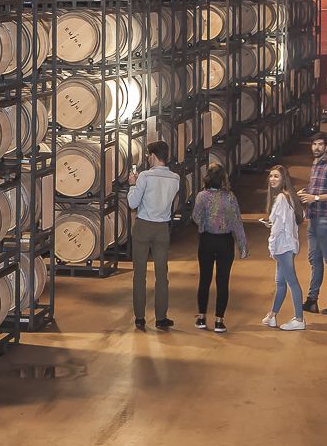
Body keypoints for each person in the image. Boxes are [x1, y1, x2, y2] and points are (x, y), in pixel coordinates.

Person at [127, 140, 181, 330]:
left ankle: (139, 318)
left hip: (143, 225)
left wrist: (132, 185)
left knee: (139, 275)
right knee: (161, 275)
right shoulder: (175, 178)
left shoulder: (145, 176)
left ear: (153, 156)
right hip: (162, 228)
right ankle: (161, 318)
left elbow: (133, 203)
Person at [191, 163, 248, 333]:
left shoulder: (202, 196)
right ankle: (219, 321)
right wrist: (243, 245)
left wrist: (204, 225)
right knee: (223, 281)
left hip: (207, 240)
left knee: (204, 279)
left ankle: (201, 317)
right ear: (223, 179)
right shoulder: (230, 197)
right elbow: (237, 222)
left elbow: (196, 217)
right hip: (225, 242)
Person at [297, 132, 327, 315]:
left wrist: (315, 198)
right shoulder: (316, 164)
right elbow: (318, 189)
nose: (316, 147)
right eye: (314, 144)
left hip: (326, 219)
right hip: (313, 219)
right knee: (314, 260)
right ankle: (312, 300)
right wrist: (306, 193)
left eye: (320, 144)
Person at [261, 165, 307, 331]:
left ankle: (299, 319)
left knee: (292, 282)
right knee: (280, 282)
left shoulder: (281, 197)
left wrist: (271, 246)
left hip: (283, 246)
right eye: (271, 176)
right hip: (288, 245)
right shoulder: (289, 196)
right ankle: (272, 316)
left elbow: (278, 228)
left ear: (283, 179)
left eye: (276, 176)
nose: (272, 179)